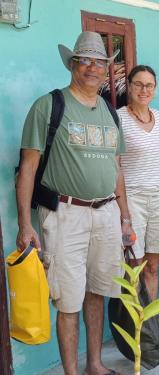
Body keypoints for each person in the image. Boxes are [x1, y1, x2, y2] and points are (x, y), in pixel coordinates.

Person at [16, 31, 133, 375]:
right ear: (72, 64)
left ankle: (94, 364)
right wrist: (26, 226)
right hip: (65, 215)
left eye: (100, 62)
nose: (93, 68)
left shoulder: (110, 113)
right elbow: (28, 168)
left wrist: (125, 218)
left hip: (107, 212)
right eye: (85, 61)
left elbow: (117, 168)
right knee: (68, 300)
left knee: (97, 292)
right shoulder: (49, 105)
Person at [117, 65, 159, 351]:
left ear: (155, 88)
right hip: (133, 200)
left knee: (153, 266)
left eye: (149, 85)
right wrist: (123, 213)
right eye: (138, 84)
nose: (143, 90)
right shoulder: (118, 119)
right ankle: (135, 333)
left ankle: (150, 330)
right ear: (129, 85)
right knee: (134, 268)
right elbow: (115, 167)